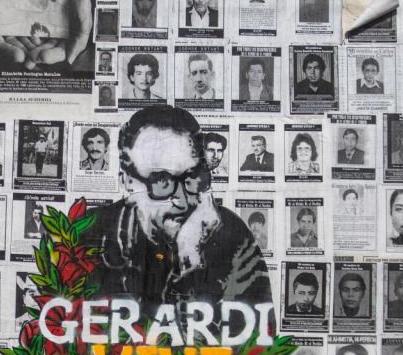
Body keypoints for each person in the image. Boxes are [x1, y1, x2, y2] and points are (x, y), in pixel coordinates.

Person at [81, 105, 272, 322]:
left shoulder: (231, 232)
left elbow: (257, 348)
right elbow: (54, 346)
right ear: (126, 182)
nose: (182, 202)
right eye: (161, 181)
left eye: (191, 178)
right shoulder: (83, 233)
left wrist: (190, 264)